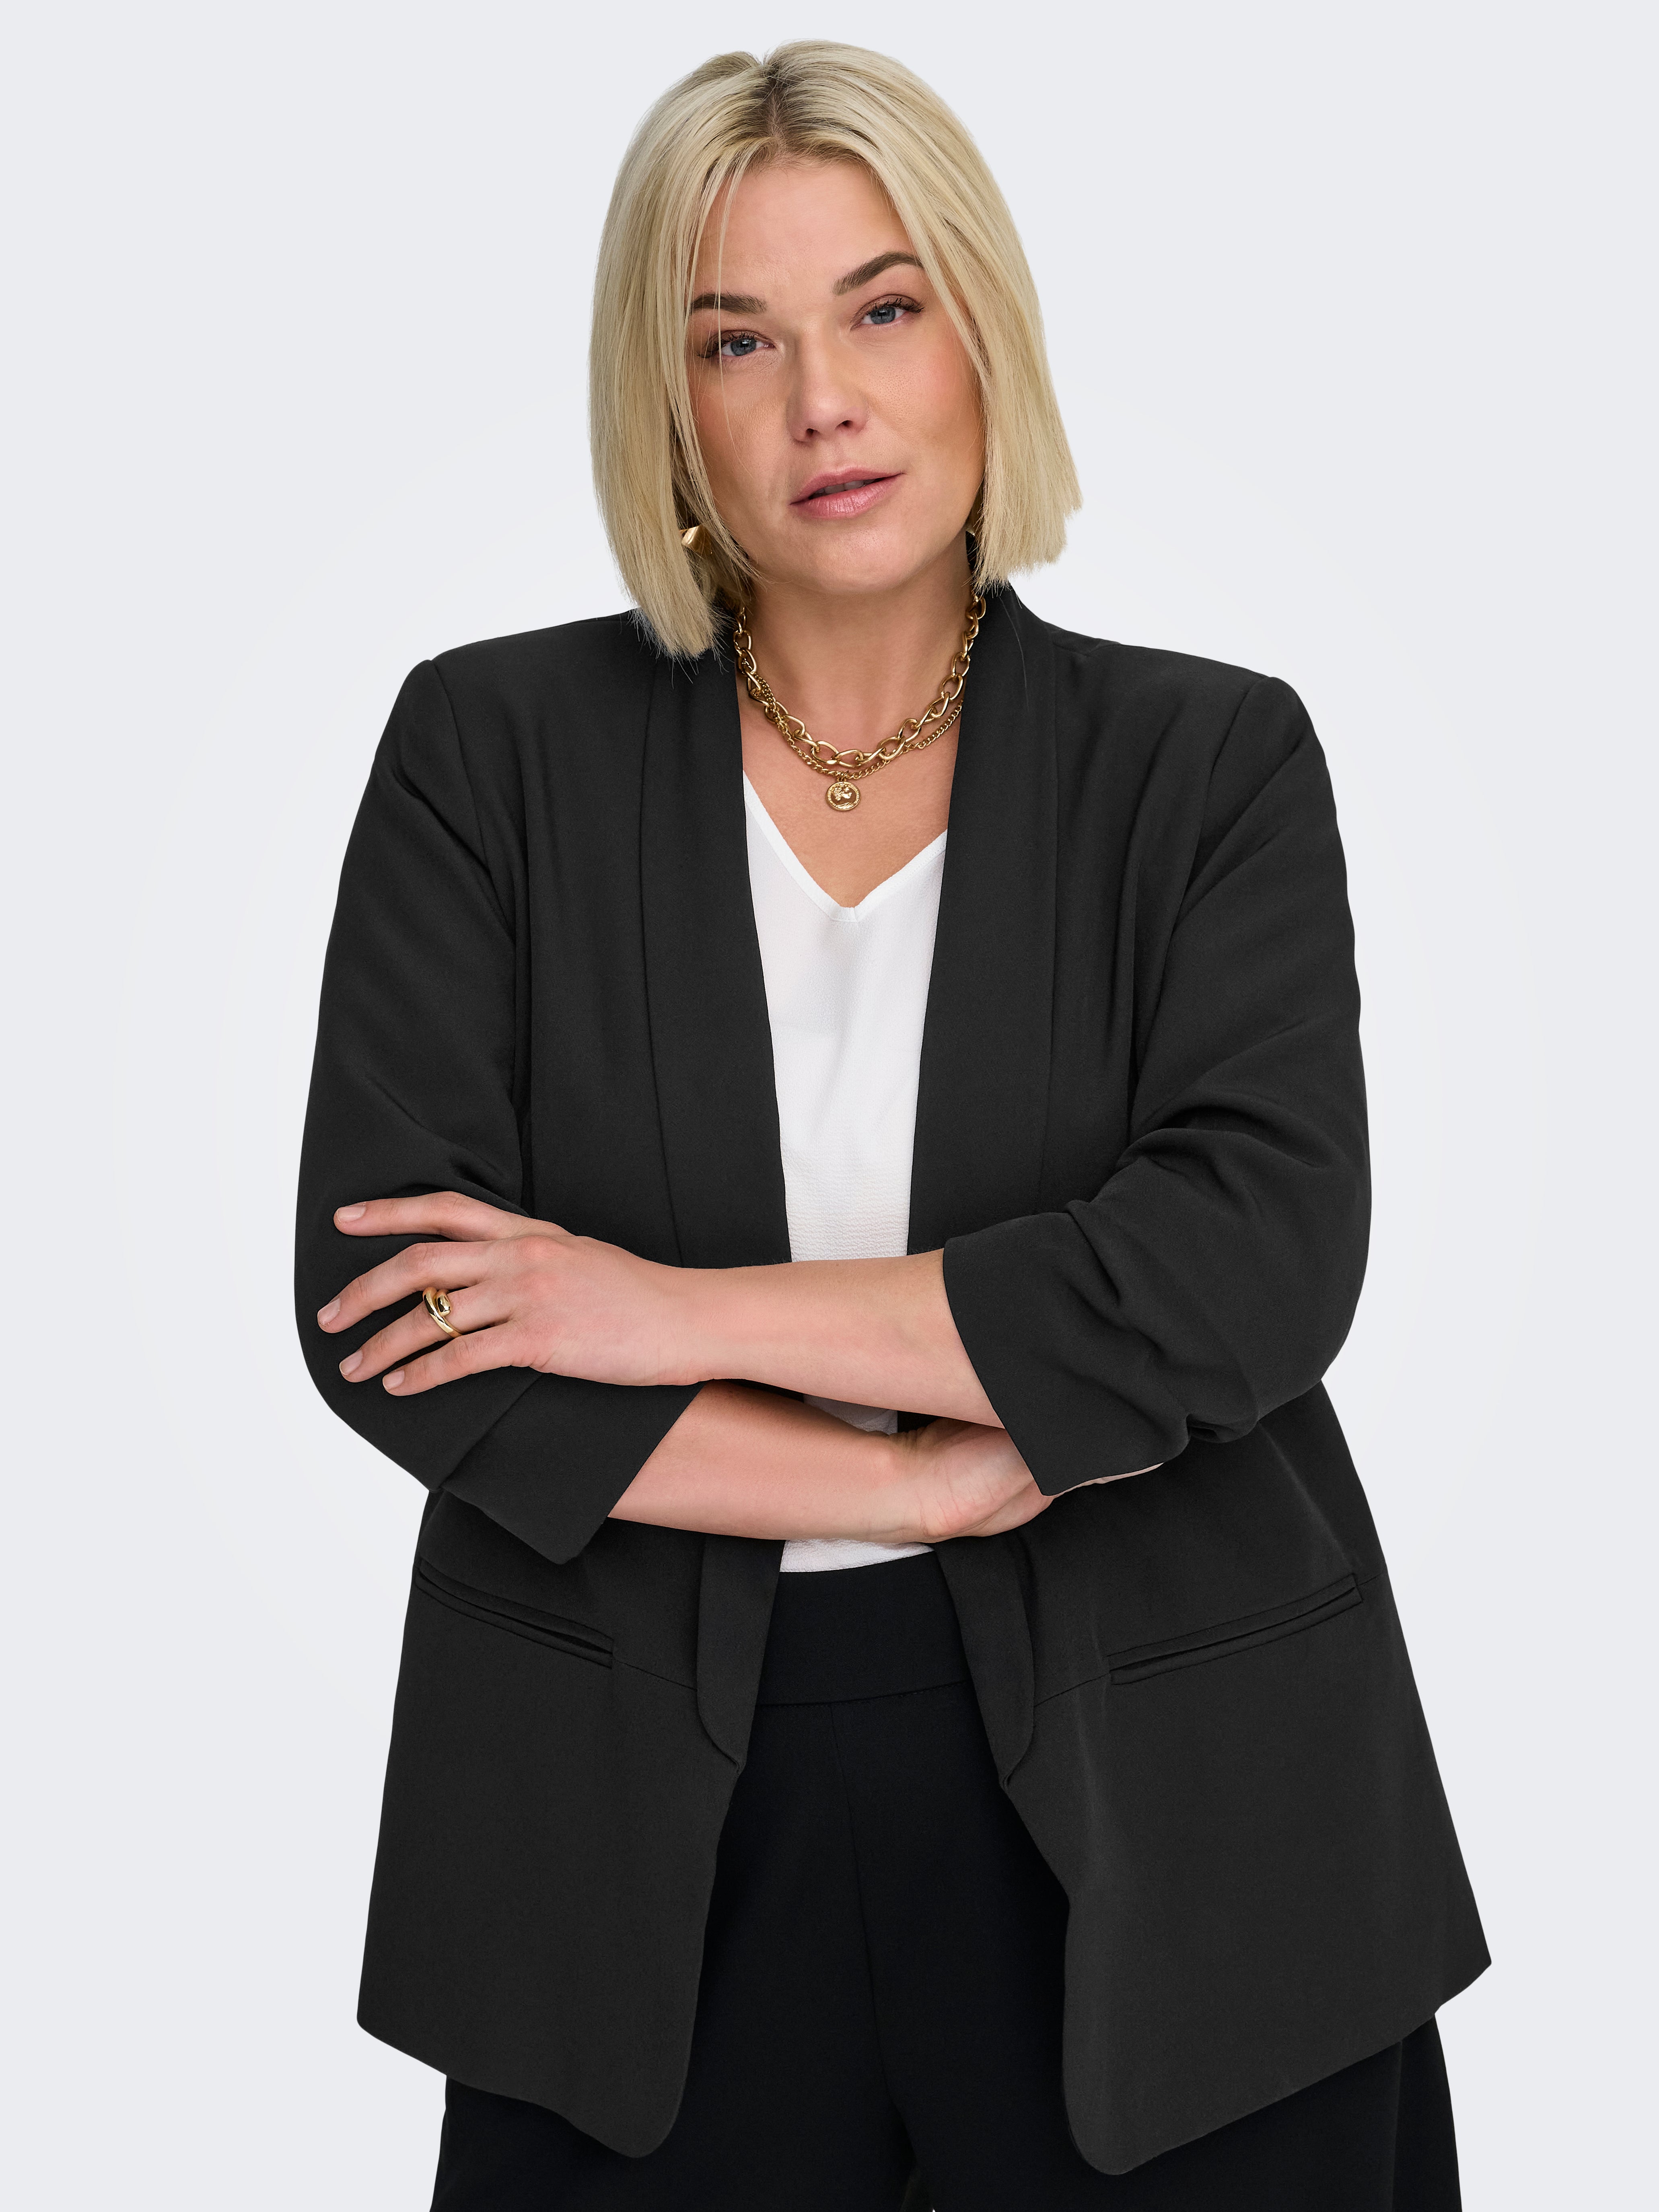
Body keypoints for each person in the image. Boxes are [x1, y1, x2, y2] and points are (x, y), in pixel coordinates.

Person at [296, 40, 1486, 2210]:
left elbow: (1243, 1271)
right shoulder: (491, 755)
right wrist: (913, 1488)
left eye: (882, 306)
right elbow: (396, 1321)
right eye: (735, 338)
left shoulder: (1208, 767)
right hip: (638, 1842)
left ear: (982, 336)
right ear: (666, 405)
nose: (822, 401)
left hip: (1183, 1807)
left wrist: (660, 1312)